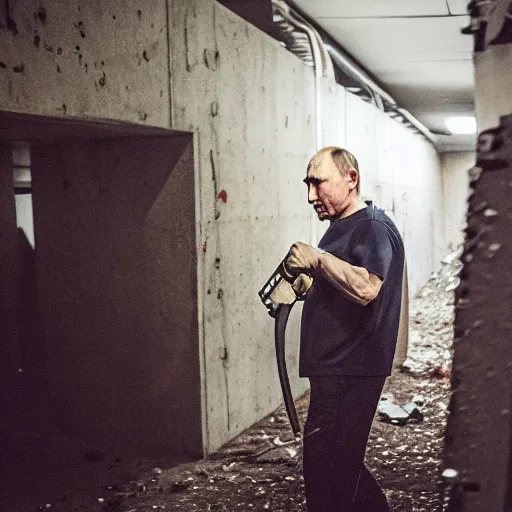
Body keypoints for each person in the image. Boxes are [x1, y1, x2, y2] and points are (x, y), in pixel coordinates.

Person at [285, 146, 405, 512]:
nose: (311, 195)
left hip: (350, 371)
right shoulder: (343, 228)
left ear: (350, 178)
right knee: (339, 468)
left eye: (318, 183)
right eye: (307, 184)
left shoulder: (371, 226)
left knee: (326, 472)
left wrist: (319, 260)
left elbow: (368, 286)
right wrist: (315, 285)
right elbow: (344, 284)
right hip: (336, 370)